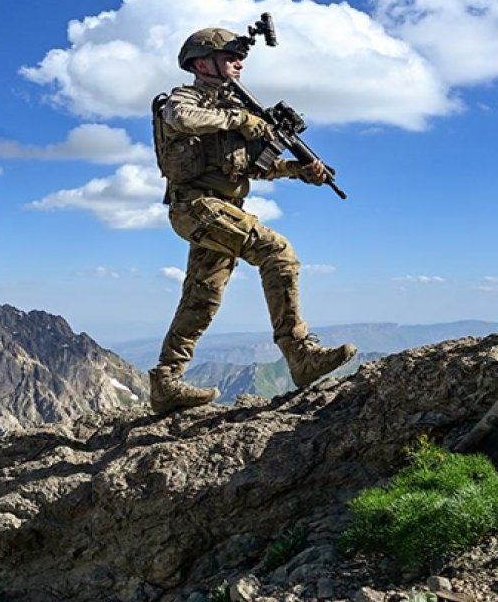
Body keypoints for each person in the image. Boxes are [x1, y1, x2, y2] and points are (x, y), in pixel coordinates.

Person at [148, 27, 357, 415]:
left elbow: (255, 167)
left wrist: (299, 170)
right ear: (201, 62)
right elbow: (181, 117)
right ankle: (300, 355)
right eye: (230, 57)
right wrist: (239, 120)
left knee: (202, 297)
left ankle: (165, 382)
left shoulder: (235, 109)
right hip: (196, 207)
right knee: (277, 252)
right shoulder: (186, 98)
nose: (238, 62)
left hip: (221, 210)